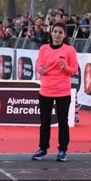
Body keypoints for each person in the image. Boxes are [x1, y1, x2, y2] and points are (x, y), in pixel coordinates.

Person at [32, 21, 78, 162]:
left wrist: (65, 68)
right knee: (44, 122)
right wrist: (41, 70)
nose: (57, 35)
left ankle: (62, 150)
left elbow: (74, 70)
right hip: (46, 90)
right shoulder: (44, 49)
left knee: (62, 122)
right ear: (51, 33)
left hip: (62, 91)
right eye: (55, 31)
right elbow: (38, 66)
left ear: (64, 35)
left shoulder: (70, 50)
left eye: (60, 32)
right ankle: (42, 149)